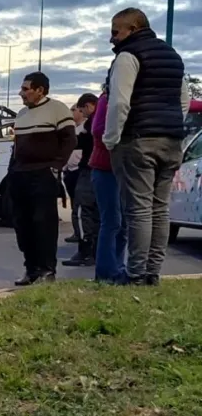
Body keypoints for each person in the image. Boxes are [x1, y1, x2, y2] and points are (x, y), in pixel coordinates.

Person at [103, 7, 191, 286]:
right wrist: (170, 125)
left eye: (115, 31)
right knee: (160, 208)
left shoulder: (128, 56)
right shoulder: (172, 56)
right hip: (171, 140)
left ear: (133, 28)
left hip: (138, 139)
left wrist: (111, 138)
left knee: (139, 208)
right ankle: (153, 272)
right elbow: (184, 100)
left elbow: (119, 102)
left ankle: (136, 273)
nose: (112, 38)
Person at [10, 72, 77, 285]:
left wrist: (55, 166)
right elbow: (17, 146)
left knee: (43, 223)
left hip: (42, 174)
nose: (21, 93)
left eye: (25, 89)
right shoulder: (22, 114)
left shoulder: (57, 109)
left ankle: (47, 271)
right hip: (20, 174)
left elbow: (69, 140)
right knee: (22, 223)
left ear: (40, 90)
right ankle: (31, 269)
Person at [89, 86, 128, 284]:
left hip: (122, 169)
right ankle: (106, 273)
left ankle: (116, 268)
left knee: (123, 224)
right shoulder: (107, 98)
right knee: (112, 221)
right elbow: (97, 130)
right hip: (105, 167)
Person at [63, 93, 100, 267]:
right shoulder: (105, 118)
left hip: (89, 169)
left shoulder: (93, 121)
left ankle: (85, 251)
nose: (82, 113)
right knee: (99, 213)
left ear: (89, 105)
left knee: (82, 208)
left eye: (81, 109)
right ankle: (97, 251)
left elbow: (85, 142)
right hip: (103, 171)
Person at [62, 104, 85, 243]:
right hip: (69, 171)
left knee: (80, 203)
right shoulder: (73, 129)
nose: (71, 112)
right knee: (74, 203)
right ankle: (77, 231)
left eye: (73, 110)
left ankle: (81, 234)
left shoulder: (84, 129)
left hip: (78, 170)